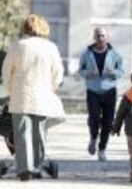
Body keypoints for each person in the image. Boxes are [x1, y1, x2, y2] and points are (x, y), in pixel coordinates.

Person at [1, 14, 65, 181]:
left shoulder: (18, 46)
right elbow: (58, 74)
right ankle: (36, 166)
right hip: (42, 95)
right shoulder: (51, 47)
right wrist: (51, 88)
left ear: (26, 28)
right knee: (39, 133)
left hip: (20, 95)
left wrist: (10, 88)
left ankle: (24, 169)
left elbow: (6, 71)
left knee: (21, 133)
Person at [79, 27, 124, 161]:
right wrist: (89, 73)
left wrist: (112, 73)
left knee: (108, 122)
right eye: (98, 36)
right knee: (93, 118)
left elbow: (121, 71)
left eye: (103, 36)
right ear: (94, 37)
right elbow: (80, 70)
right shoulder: (86, 53)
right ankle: (93, 137)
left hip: (109, 90)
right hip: (93, 90)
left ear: (107, 37)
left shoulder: (114, 53)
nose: (101, 38)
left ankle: (102, 148)